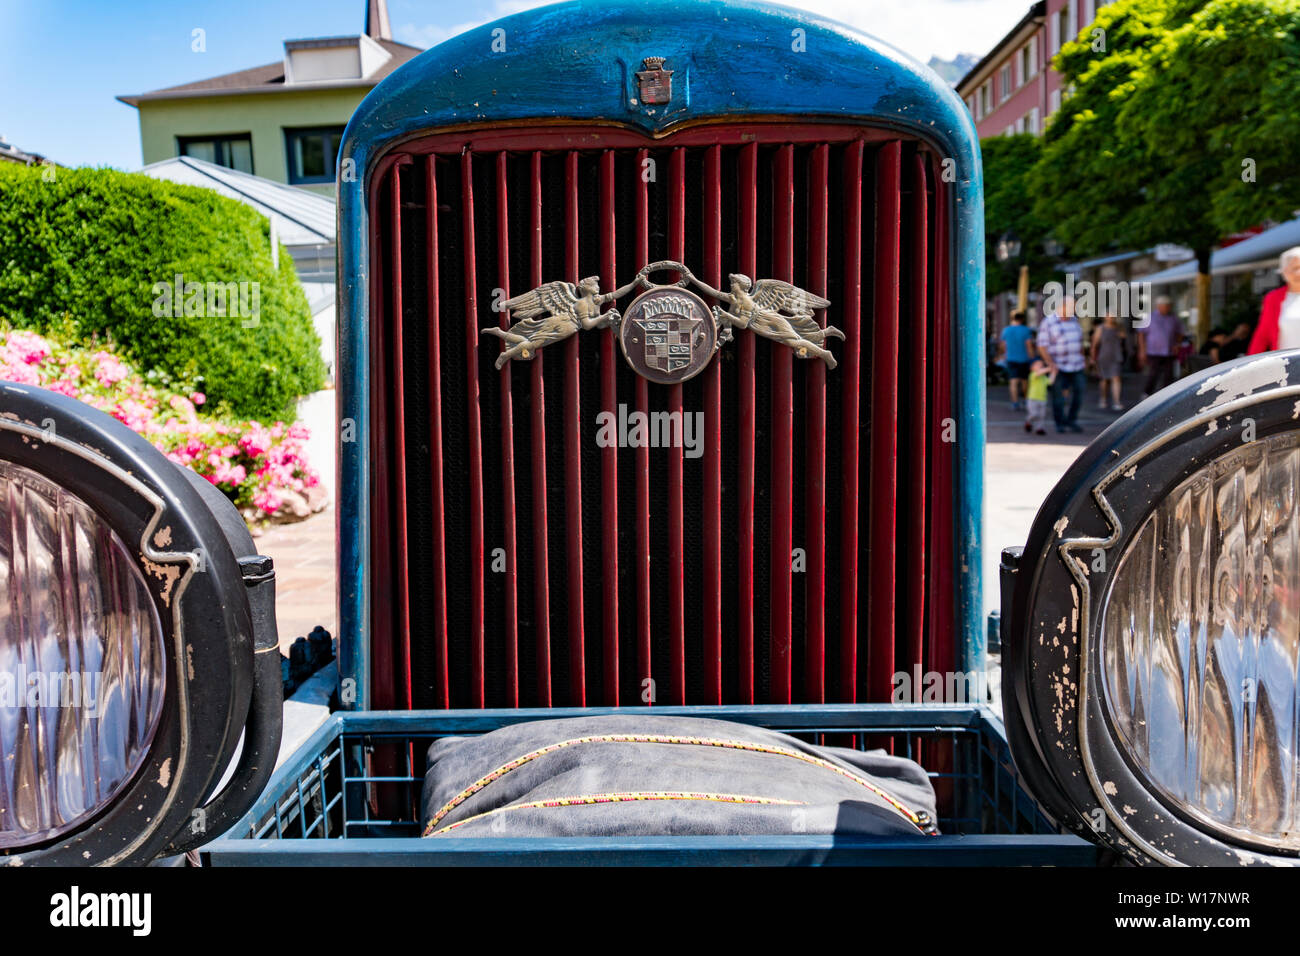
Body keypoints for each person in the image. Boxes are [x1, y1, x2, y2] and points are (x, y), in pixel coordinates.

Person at [1036, 296, 1087, 433]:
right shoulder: (1049, 322)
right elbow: (1042, 346)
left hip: (1076, 364)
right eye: (1072, 307)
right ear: (1062, 307)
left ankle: (1072, 420)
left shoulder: (1075, 321)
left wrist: (1084, 358)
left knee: (1079, 392)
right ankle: (1060, 423)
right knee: (1058, 396)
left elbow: (1080, 341)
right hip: (1058, 366)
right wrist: (1050, 364)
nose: (1074, 310)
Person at [1247, 247, 1300, 354]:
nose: (1298, 273)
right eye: (1295, 268)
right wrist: (1249, 364)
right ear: (1284, 271)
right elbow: (1262, 335)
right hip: (1287, 363)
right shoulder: (1273, 298)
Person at [1138, 296, 1185, 396]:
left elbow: (1180, 332)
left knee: (1169, 375)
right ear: (1159, 306)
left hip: (1169, 351)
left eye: (1169, 306)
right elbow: (1141, 334)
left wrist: (1178, 344)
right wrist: (1142, 350)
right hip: (1154, 351)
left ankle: (1166, 396)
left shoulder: (1174, 318)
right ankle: (1146, 393)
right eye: (1165, 306)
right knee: (1153, 374)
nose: (1168, 308)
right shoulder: (1150, 317)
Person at [998, 311, 1035, 410]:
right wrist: (1032, 357)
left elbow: (1002, 345)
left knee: (1013, 382)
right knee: (1024, 381)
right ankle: (1026, 400)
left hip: (1010, 358)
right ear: (1022, 319)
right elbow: (1029, 345)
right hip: (1024, 359)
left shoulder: (1006, 330)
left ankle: (1015, 403)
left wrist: (1005, 353)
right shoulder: (1026, 330)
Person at [1090, 313, 1126, 411]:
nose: (1111, 317)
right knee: (1104, 379)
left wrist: (1118, 327)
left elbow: (1123, 337)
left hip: (1116, 356)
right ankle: (1103, 398)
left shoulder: (1119, 327)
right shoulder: (1100, 328)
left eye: (1113, 315)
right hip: (1104, 357)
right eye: (1109, 315)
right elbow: (1094, 344)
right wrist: (1092, 358)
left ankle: (1116, 401)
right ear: (1105, 317)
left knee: (1116, 378)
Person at [1023, 357, 1052, 435]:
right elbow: (1039, 373)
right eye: (1038, 364)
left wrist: (1054, 372)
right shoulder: (1033, 375)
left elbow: (1050, 382)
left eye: (1041, 365)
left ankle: (1040, 428)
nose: (1040, 366)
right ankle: (1028, 421)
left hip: (1042, 398)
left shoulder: (1044, 377)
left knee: (1042, 415)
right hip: (1033, 398)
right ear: (1032, 367)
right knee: (1034, 414)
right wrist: (1049, 368)